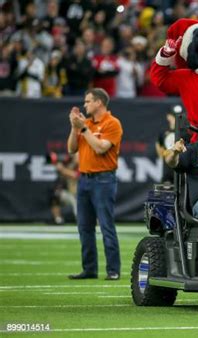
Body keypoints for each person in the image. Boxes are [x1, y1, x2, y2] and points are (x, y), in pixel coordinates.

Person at [67, 88, 123, 280]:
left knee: (106, 225)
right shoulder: (87, 123)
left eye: (88, 101)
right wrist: (74, 127)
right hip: (84, 179)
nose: (85, 105)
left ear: (99, 102)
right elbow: (71, 149)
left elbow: (101, 148)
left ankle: (113, 270)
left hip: (104, 179)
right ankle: (89, 268)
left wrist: (83, 129)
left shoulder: (112, 123)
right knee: (84, 227)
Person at [49, 153, 79, 225]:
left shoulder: (84, 166)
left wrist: (63, 169)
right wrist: (59, 167)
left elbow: (76, 175)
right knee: (55, 195)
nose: (76, 158)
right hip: (70, 193)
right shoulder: (68, 164)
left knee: (80, 215)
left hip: (81, 194)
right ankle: (58, 219)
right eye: (75, 156)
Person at [155, 107, 178, 184]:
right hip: (167, 170)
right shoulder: (163, 132)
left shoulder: (184, 132)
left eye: (178, 117)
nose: (176, 119)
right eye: (174, 116)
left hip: (180, 169)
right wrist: (165, 153)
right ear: (168, 117)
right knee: (166, 191)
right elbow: (159, 147)